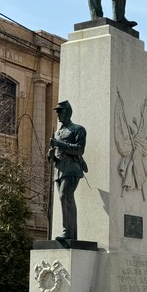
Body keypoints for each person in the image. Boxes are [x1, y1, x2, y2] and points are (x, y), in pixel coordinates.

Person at [47, 101, 87, 240]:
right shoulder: (58, 132)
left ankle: (67, 232)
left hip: (72, 168)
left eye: (61, 111)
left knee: (65, 196)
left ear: (68, 112)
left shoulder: (78, 129)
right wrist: (51, 155)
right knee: (66, 199)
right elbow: (57, 153)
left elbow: (79, 150)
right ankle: (71, 233)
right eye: (57, 112)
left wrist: (58, 144)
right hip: (60, 169)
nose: (58, 114)